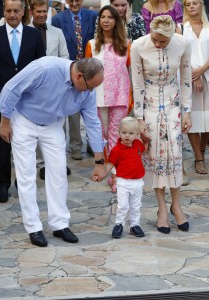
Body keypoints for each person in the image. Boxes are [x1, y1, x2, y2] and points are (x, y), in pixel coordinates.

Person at [0, 56, 106, 247]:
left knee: (58, 173)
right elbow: (11, 88)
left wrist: (99, 162)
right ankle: (33, 227)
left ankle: (60, 224)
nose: (91, 92)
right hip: (24, 120)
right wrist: (5, 121)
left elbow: (93, 122)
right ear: (79, 76)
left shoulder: (87, 91)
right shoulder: (44, 68)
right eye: (90, 87)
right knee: (26, 174)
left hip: (53, 124)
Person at [131, 15, 192, 234]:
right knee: (155, 155)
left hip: (174, 102)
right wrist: (139, 117)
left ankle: (176, 205)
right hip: (150, 106)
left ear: (171, 36)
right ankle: (161, 209)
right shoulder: (138, 45)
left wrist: (186, 111)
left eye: (162, 42)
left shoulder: (183, 43)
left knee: (175, 153)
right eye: (155, 40)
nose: (157, 44)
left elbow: (185, 78)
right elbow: (137, 83)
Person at [0, 0, 46, 203]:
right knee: (3, 141)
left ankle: (23, 181)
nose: (12, 15)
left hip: (28, 98)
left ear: (23, 11)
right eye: (8, 11)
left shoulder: (34, 35)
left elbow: (41, 67)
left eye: (16, 11)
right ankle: (3, 183)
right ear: (4, 12)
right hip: (2, 97)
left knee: (25, 141)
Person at [85, 5, 131, 193]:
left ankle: (116, 174)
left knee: (116, 136)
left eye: (110, 17)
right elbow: (86, 72)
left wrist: (132, 97)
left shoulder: (126, 45)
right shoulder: (91, 44)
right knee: (101, 135)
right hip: (98, 97)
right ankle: (103, 165)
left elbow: (131, 71)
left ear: (116, 21)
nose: (106, 20)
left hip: (120, 97)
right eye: (103, 17)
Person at [52, 0, 98, 160]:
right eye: (71, 0)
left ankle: (93, 145)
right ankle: (75, 146)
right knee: (72, 111)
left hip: (91, 69)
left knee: (92, 111)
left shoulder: (92, 16)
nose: (74, 3)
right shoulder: (58, 19)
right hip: (70, 69)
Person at [29, 0, 70, 180]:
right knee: (37, 126)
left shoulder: (57, 33)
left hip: (56, 87)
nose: (42, 15)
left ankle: (60, 160)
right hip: (33, 88)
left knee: (61, 123)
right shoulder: (25, 32)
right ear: (31, 11)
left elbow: (65, 58)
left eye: (44, 12)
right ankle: (42, 163)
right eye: (38, 11)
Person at [93, 117, 148, 238]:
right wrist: (102, 174)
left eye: (131, 133)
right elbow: (110, 164)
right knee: (123, 206)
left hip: (137, 181)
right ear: (119, 132)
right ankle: (119, 224)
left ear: (137, 134)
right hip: (123, 182)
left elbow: (143, 151)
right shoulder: (116, 150)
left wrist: (146, 141)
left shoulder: (138, 144)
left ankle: (135, 225)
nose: (127, 136)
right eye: (124, 133)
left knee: (136, 206)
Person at [182, 0, 209, 174]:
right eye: (187, 4)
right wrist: (194, 75)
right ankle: (198, 158)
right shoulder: (181, 28)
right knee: (191, 118)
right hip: (188, 78)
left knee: (207, 118)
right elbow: (181, 54)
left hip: (208, 75)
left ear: (201, 5)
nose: (191, 6)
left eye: (194, 3)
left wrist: (202, 70)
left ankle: (202, 149)